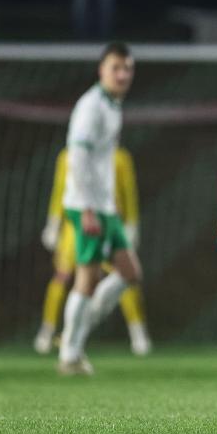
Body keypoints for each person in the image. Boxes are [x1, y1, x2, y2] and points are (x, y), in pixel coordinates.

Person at [57, 42, 143, 375]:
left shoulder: (113, 105)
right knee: (87, 280)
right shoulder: (90, 107)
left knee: (129, 273)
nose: (123, 75)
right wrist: (90, 209)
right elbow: (76, 158)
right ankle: (70, 353)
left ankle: (75, 332)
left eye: (128, 69)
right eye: (116, 68)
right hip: (86, 205)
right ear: (101, 70)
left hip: (104, 206)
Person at [35, 146, 151, 356]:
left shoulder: (120, 157)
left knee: (125, 275)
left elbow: (128, 191)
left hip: (109, 221)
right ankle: (47, 332)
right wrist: (53, 223)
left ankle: (137, 332)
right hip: (78, 224)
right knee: (64, 278)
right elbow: (60, 189)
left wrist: (132, 224)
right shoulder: (70, 154)